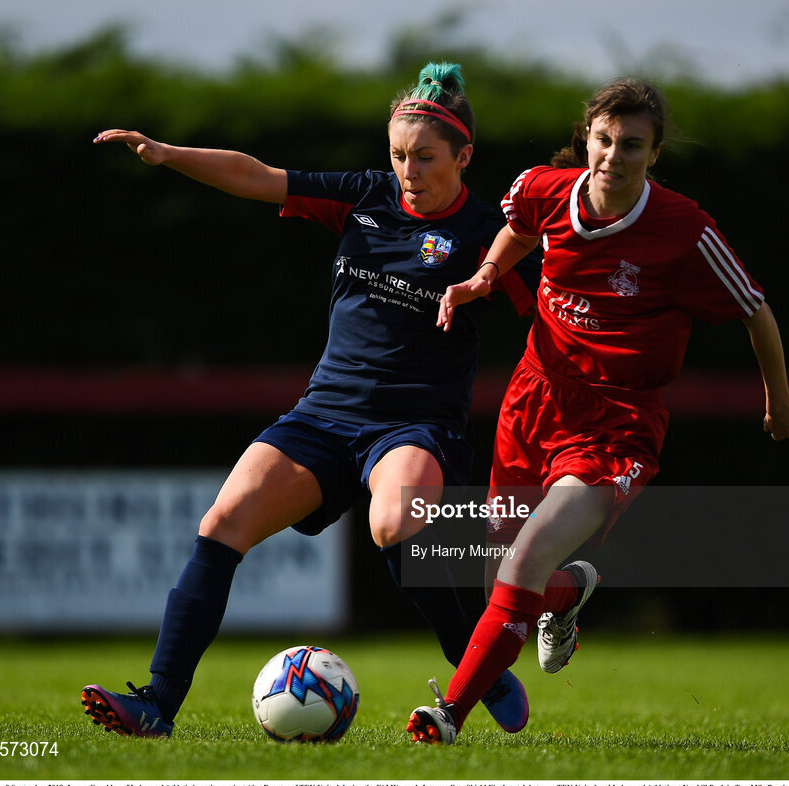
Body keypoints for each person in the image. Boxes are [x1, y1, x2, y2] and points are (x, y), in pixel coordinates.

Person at [81, 62, 538, 738]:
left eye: (425, 156)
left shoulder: (489, 233)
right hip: (323, 415)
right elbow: (255, 175)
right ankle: (156, 705)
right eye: (398, 154)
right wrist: (167, 153)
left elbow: (556, 297)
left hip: (414, 426)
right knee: (221, 523)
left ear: (464, 156)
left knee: (396, 523)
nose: (408, 169)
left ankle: (471, 657)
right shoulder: (365, 196)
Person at [405, 77, 789, 744]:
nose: (613, 156)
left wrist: (780, 399)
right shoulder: (541, 189)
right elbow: (518, 229)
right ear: (584, 139)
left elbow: (755, 309)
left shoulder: (686, 231)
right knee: (501, 583)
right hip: (533, 401)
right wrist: (483, 276)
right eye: (603, 140)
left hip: (616, 422)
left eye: (632, 145)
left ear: (654, 155)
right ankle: (565, 593)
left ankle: (447, 715)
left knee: (523, 560)